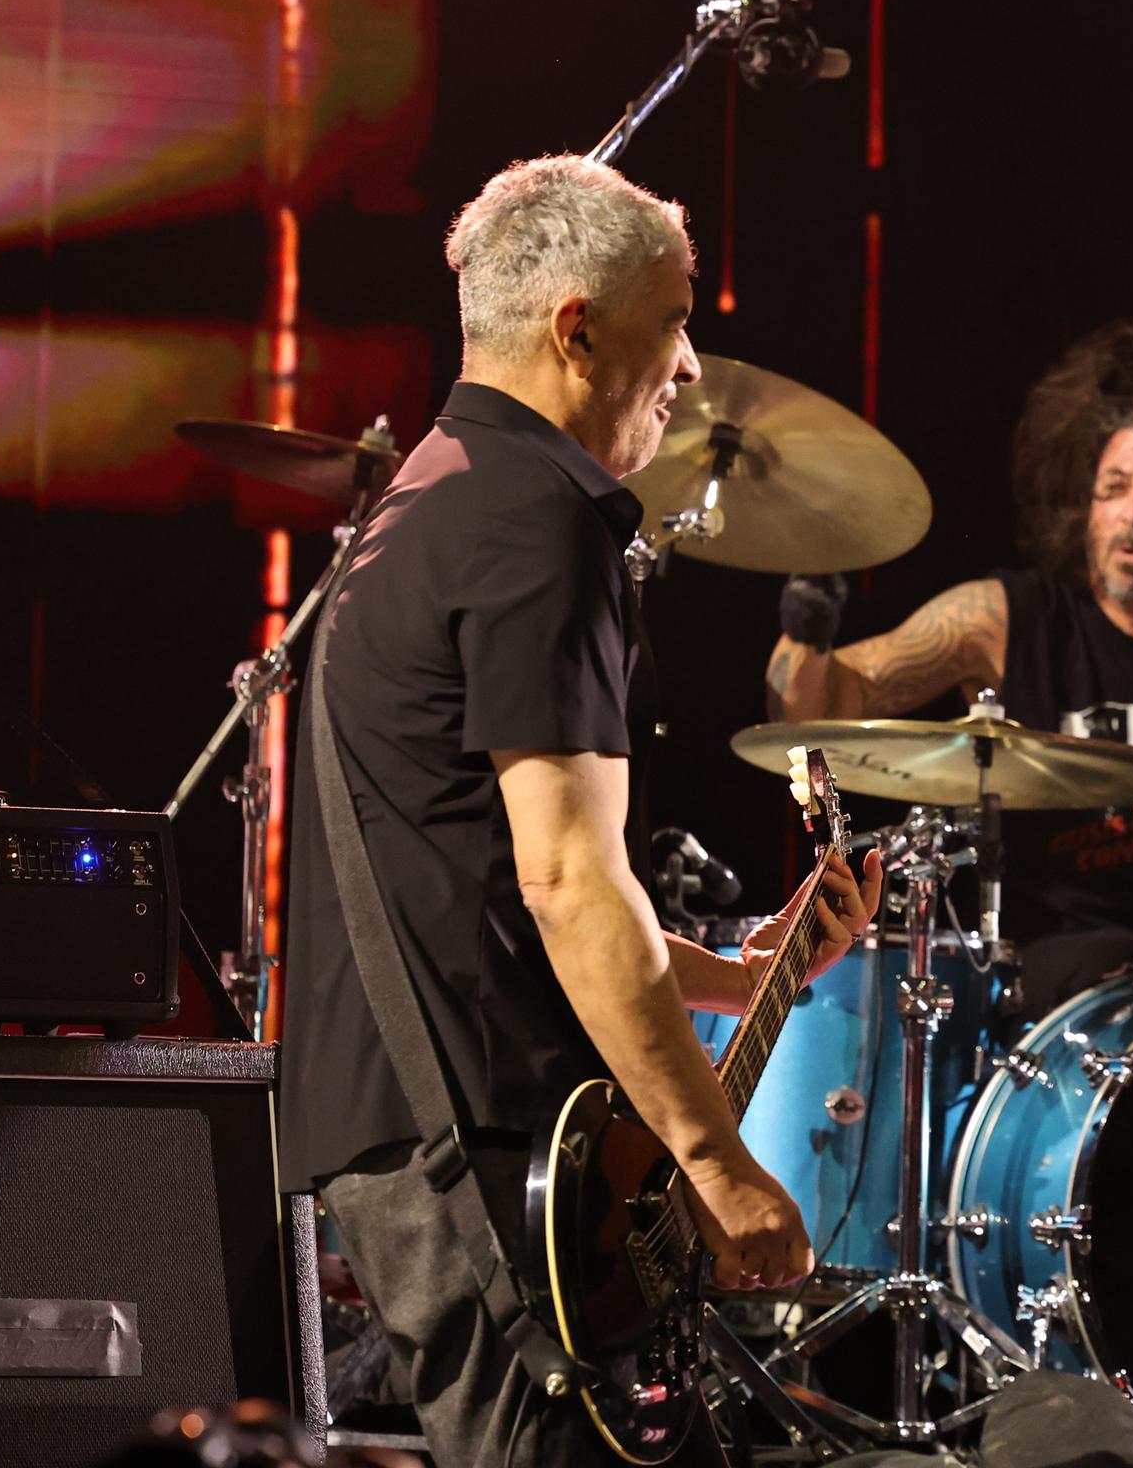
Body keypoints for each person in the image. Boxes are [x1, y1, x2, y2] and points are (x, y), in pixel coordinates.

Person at [278, 155, 884, 1468]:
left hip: (446, 1124)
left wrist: (744, 973)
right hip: (484, 1145)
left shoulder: (428, 499)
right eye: (673, 319)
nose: (692, 365)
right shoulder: (533, 520)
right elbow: (569, 880)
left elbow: (493, 876)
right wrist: (719, 1164)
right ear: (577, 327)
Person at [764, 312, 1133, 1010]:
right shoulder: (1006, 618)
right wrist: (806, 632)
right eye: (1114, 488)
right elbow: (821, 709)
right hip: (1059, 980)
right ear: (1084, 502)